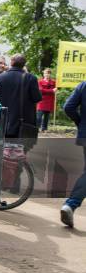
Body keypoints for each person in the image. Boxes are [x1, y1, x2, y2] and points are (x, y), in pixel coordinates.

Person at [0, 54, 42, 139]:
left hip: (2, 121)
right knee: (20, 149)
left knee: (3, 148)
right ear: (24, 64)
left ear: (11, 62)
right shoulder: (31, 78)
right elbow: (37, 98)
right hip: (23, 122)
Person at [60, 81, 86, 228]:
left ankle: (70, 205)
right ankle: (71, 204)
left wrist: (81, 123)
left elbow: (68, 107)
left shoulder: (83, 85)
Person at [37, 68, 56, 132]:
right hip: (42, 100)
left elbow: (56, 89)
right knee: (39, 116)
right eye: (45, 73)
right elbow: (41, 90)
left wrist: (54, 90)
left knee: (46, 116)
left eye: (48, 73)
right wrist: (52, 90)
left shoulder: (54, 82)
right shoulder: (40, 81)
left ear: (50, 74)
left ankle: (44, 128)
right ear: (43, 74)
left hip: (50, 101)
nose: (47, 75)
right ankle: (36, 128)